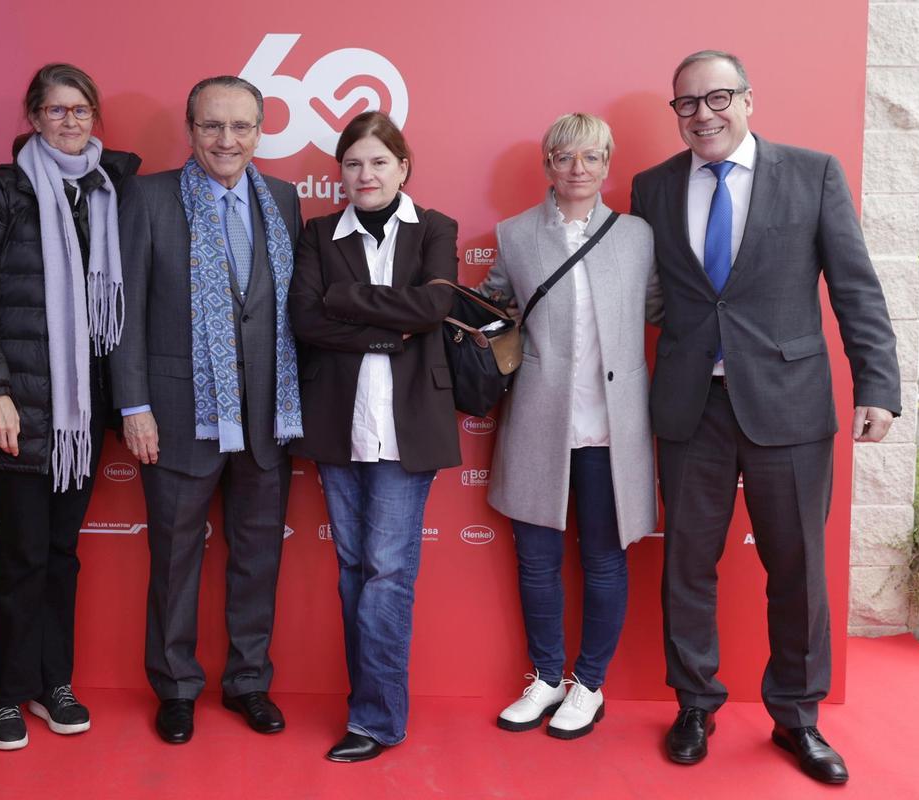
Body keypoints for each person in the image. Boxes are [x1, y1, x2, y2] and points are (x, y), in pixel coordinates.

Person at [630, 50, 900, 784]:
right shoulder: (650, 187)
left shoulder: (812, 173)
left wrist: (877, 382)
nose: (702, 114)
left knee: (799, 567)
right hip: (691, 405)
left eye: (716, 97)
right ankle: (694, 703)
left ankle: (797, 716)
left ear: (748, 99)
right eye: (685, 104)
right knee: (687, 564)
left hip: (790, 405)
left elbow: (855, 287)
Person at [0, 63, 140, 750]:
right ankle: (7, 694)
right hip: (18, 408)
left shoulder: (110, 190)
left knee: (62, 553)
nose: (69, 121)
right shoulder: (7, 189)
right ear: (32, 117)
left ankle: (53, 682)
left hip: (81, 417)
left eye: (81, 109)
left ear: (95, 117)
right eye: (55, 110)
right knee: (23, 553)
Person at [110, 76, 303, 745]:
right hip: (174, 413)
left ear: (259, 131)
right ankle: (177, 686)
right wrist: (133, 405)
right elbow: (125, 311)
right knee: (174, 559)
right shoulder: (148, 197)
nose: (228, 140)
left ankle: (249, 681)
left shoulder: (282, 200)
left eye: (242, 127)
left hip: (264, 422)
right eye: (213, 126)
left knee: (258, 559)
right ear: (191, 130)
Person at [479, 113, 660, 740]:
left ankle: (589, 684)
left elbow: (665, 306)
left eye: (590, 157)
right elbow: (492, 304)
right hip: (538, 422)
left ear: (608, 163)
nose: (577, 169)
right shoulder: (514, 234)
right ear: (547, 165)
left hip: (614, 431)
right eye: (563, 157)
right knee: (536, 563)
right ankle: (547, 676)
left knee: (606, 564)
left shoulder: (638, 236)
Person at [289, 111, 460, 763]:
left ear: (402, 167)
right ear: (341, 172)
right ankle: (372, 707)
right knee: (354, 572)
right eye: (354, 163)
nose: (365, 174)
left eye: (379, 162)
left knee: (387, 573)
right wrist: (394, 329)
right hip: (341, 426)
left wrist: (348, 299)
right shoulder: (317, 234)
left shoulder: (435, 229)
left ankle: (378, 720)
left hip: (408, 425)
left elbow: (435, 309)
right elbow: (306, 320)